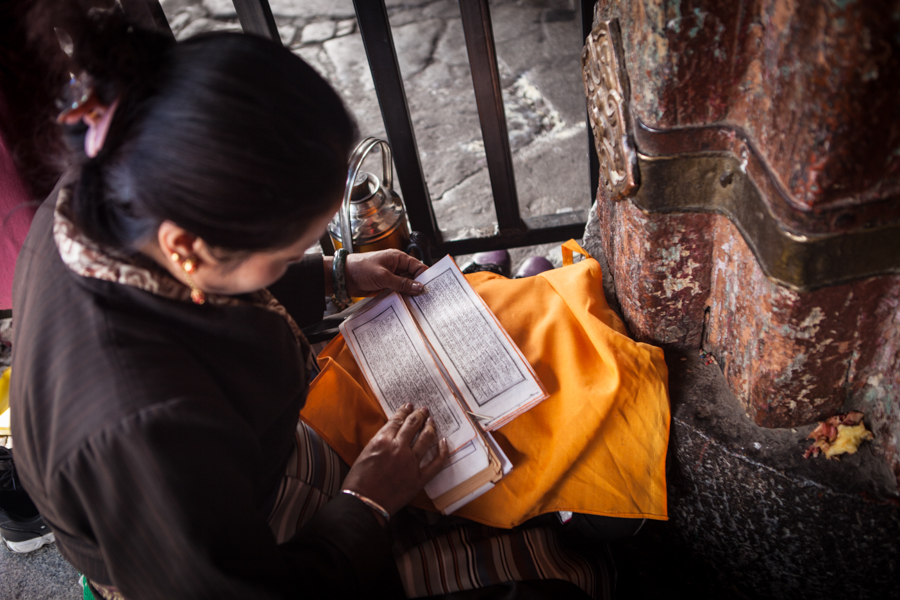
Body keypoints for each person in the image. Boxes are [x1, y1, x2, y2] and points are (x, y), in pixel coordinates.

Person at [10, 3, 613, 599]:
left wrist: (336, 274)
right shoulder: (143, 429)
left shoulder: (112, 190)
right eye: (284, 252)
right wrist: (366, 501)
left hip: (248, 469)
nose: (296, 261)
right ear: (189, 247)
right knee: (555, 577)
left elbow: (205, 283)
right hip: (219, 558)